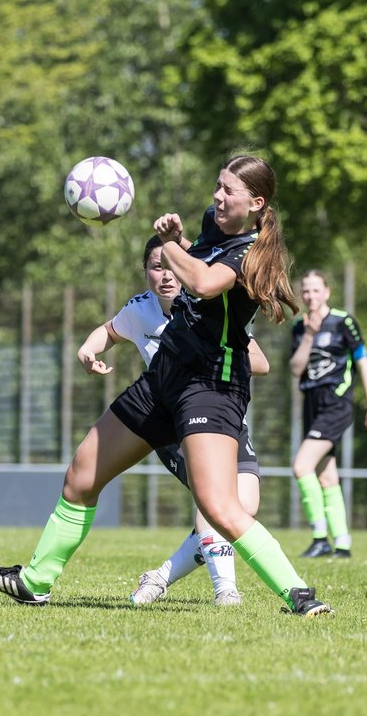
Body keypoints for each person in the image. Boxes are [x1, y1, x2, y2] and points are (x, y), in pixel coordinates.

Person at [0, 154, 332, 617]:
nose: (218, 197)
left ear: (257, 202)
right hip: (165, 375)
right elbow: (197, 262)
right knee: (82, 476)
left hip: (210, 387)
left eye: (229, 191)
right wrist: (182, 239)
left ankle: (300, 596)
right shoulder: (214, 223)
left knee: (219, 506)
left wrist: (170, 245)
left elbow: (203, 282)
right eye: (217, 187)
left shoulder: (250, 251)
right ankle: (34, 582)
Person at [77, 235, 271, 607]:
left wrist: (214, 357)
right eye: (156, 266)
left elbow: (261, 363)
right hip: (172, 422)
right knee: (214, 499)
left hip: (223, 413)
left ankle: (161, 576)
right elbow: (109, 331)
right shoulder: (140, 310)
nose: (165, 275)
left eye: (171, 265)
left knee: (244, 506)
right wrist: (88, 349)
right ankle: (225, 589)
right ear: (146, 272)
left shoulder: (209, 311)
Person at [289, 269, 367, 558]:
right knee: (326, 476)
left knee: (301, 466)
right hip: (311, 403)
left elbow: (363, 362)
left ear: (327, 292)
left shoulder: (343, 321)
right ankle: (342, 543)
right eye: (306, 290)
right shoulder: (299, 326)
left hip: (336, 402)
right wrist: (309, 334)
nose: (311, 296)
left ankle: (319, 537)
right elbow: (295, 369)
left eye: (316, 290)